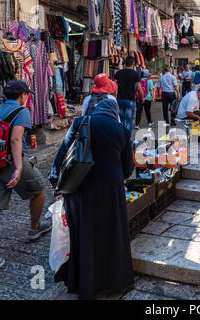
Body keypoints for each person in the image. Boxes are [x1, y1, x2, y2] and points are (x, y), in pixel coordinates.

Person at [49, 99, 135, 300]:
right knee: (111, 234)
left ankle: (85, 283)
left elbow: (63, 153)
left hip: (80, 186)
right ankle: (112, 283)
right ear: (114, 112)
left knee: (84, 233)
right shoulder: (120, 129)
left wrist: (57, 184)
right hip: (110, 190)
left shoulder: (80, 122)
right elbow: (128, 167)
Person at [0, 80, 49, 279]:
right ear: (23, 95)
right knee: (39, 189)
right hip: (11, 162)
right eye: (27, 94)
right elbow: (16, 139)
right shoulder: (22, 112)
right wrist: (18, 168)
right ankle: (35, 228)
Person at [114, 56, 144, 135]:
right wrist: (142, 97)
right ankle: (127, 138)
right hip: (130, 100)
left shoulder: (119, 73)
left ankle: (121, 136)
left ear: (125, 63)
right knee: (129, 120)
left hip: (120, 99)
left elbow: (114, 85)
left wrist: (113, 95)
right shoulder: (135, 74)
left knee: (121, 119)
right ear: (133, 63)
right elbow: (139, 88)